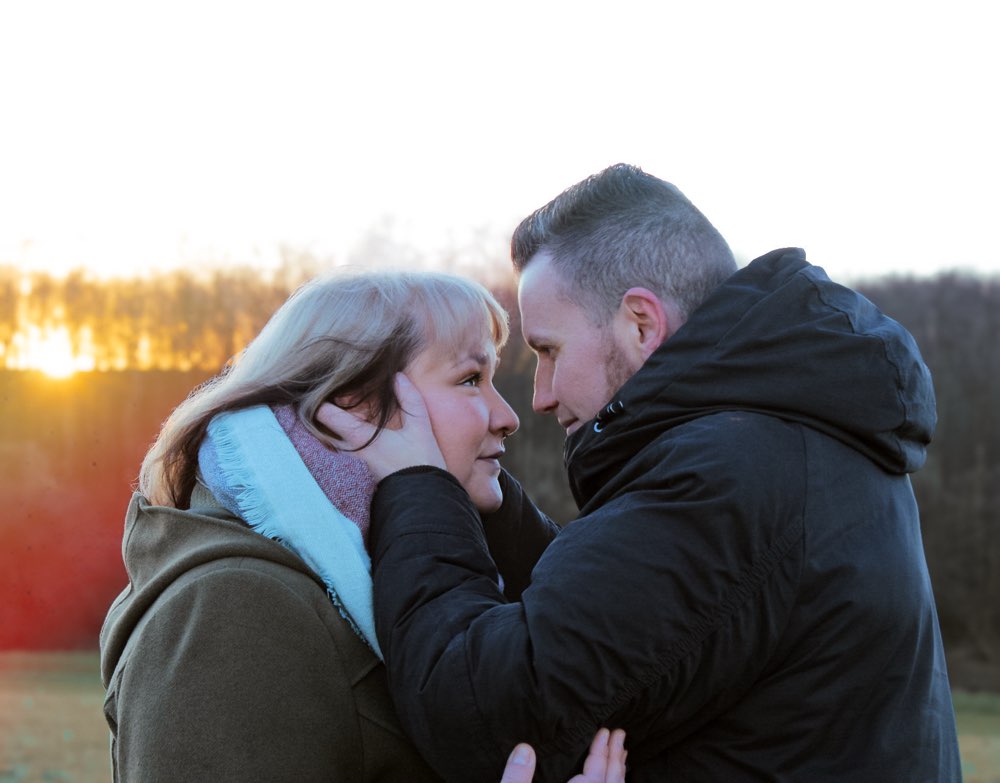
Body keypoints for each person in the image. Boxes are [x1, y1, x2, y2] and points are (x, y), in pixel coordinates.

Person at [320, 164, 963, 782]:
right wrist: (484, 496)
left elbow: (477, 712)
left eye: (549, 350)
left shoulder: (728, 476)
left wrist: (418, 486)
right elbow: (628, 619)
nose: (539, 395)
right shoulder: (785, 441)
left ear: (641, 324)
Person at [98, 268, 623, 782]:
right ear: (352, 406)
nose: (507, 416)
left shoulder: (412, 566)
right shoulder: (233, 605)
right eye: (469, 380)